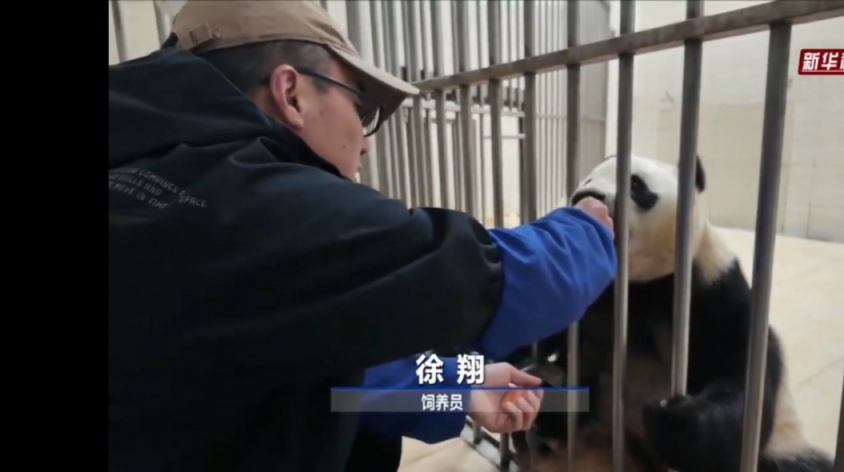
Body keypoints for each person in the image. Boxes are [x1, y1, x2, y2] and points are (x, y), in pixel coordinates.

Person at [108, 1, 617, 471]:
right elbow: (475, 278)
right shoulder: (259, 211)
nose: (367, 145)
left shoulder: (147, 177)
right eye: (361, 107)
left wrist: (461, 384)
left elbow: (326, 367)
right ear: (292, 94)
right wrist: (590, 225)